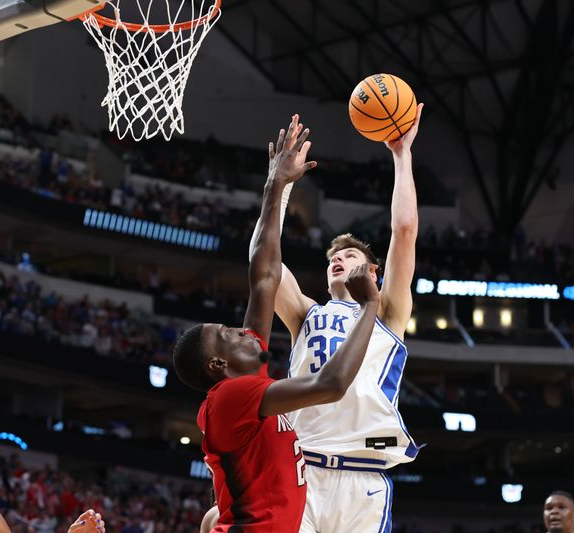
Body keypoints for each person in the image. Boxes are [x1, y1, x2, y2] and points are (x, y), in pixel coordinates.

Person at [174, 116, 382, 532]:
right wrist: (371, 306)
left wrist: (276, 188)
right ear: (218, 365)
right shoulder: (232, 397)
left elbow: (264, 275)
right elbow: (331, 384)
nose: (241, 330)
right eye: (228, 334)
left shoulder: (247, 383)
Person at [250, 105, 424, 532]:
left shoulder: (387, 312)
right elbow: (262, 264)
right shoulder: (307, 313)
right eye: (334, 258)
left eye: (350, 256)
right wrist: (281, 188)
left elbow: (404, 231)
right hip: (301, 470)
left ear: (373, 274)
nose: (339, 260)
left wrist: (402, 155)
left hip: (364, 478)